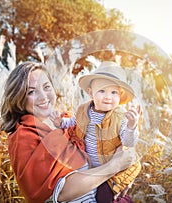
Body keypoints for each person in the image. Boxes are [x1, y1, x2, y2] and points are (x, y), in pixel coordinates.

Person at [0, 61, 136, 203]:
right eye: (32, 91)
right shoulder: (24, 136)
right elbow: (60, 193)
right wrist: (115, 166)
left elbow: (117, 147)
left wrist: (123, 176)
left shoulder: (72, 122)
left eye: (47, 87)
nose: (43, 97)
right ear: (19, 98)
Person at [50, 61, 142, 202]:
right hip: (89, 168)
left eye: (113, 92)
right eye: (102, 91)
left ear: (120, 95)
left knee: (105, 197)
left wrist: (131, 127)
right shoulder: (82, 110)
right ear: (91, 93)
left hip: (111, 170)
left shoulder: (120, 118)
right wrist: (60, 123)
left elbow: (128, 142)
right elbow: (72, 122)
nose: (108, 96)